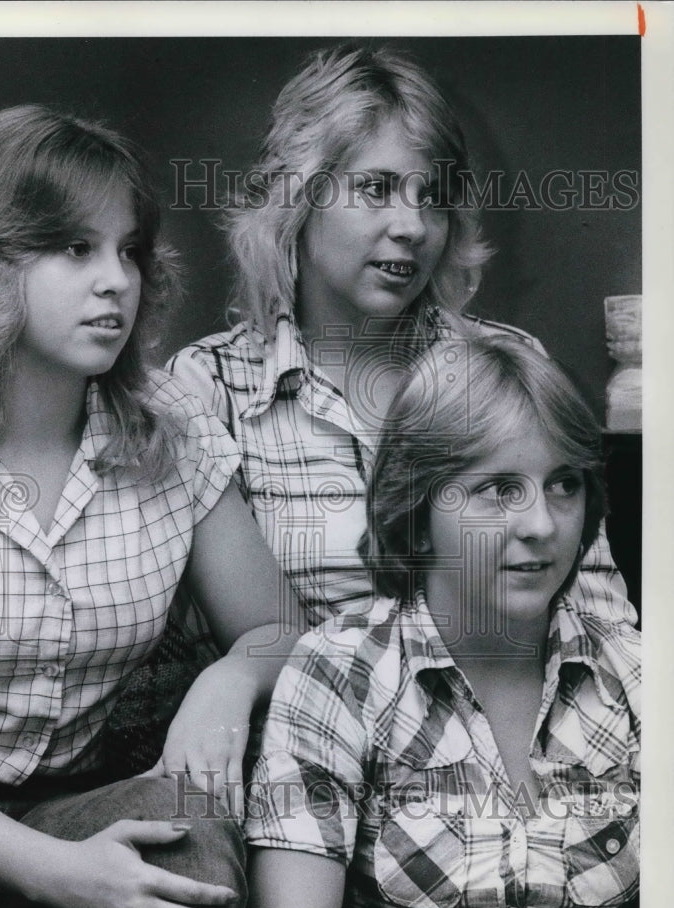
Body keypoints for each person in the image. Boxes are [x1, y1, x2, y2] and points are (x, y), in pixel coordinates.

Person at [0, 105, 302, 908]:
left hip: (76, 799)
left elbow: (277, 626)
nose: (117, 280)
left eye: (128, 249)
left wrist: (229, 683)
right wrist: (57, 874)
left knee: (188, 840)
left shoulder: (170, 424)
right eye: (74, 248)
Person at [166, 44, 637, 673]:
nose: (413, 225)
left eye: (433, 196)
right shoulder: (208, 389)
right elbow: (234, 650)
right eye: (376, 188)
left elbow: (600, 618)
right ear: (296, 201)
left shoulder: (510, 362)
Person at [245, 335, 640, 908]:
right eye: (500, 488)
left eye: (564, 483)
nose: (541, 524)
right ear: (418, 505)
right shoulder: (339, 673)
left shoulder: (635, 674)